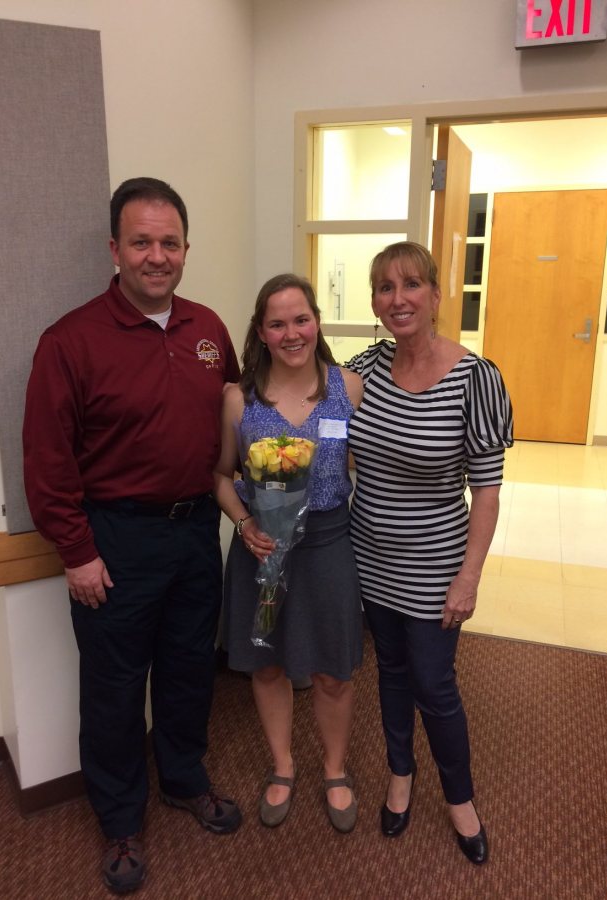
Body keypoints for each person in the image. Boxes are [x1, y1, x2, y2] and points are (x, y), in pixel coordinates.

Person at [23, 177, 242, 894]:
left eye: (169, 242)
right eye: (141, 242)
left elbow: (238, 420)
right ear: (114, 249)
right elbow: (47, 461)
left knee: (187, 672)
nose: (157, 256)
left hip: (192, 534)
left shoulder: (208, 330)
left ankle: (182, 778)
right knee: (115, 691)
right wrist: (77, 552)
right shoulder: (69, 341)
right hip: (112, 541)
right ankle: (120, 819)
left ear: (186, 249)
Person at [347, 241, 513, 865]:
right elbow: (319, 427)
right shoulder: (362, 369)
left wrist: (467, 579)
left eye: (411, 284)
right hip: (371, 558)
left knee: (435, 685)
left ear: (437, 294)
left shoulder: (475, 378)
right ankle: (399, 775)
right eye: (386, 288)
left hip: (438, 566)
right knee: (389, 672)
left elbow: (487, 493)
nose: (399, 299)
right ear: (374, 302)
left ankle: (460, 799)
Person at [213, 274, 364, 833]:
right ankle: (282, 765)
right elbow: (220, 476)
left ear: (317, 322)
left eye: (301, 319)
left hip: (328, 547)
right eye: (277, 323)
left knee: (333, 671)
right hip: (263, 553)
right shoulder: (239, 397)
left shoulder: (349, 388)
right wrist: (246, 522)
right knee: (268, 662)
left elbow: (368, 469)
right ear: (261, 332)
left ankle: (334, 768)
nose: (291, 332)